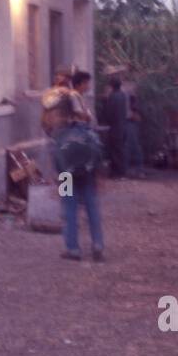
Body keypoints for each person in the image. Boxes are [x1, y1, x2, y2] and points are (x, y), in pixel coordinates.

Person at [57, 70, 105, 261]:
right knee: (92, 205)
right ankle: (97, 243)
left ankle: (72, 248)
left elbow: (57, 153)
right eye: (87, 83)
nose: (89, 86)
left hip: (66, 169)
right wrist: (99, 173)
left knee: (68, 205)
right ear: (81, 84)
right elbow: (98, 153)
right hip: (87, 170)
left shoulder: (63, 131)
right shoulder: (85, 123)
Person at [100, 76, 129, 179]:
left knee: (115, 150)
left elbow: (109, 113)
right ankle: (122, 172)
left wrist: (104, 102)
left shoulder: (113, 96)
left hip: (115, 127)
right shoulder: (123, 95)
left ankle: (116, 173)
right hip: (123, 126)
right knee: (121, 150)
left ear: (111, 86)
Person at [124, 88, 146, 178]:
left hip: (130, 121)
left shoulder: (129, 92)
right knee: (129, 146)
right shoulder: (125, 91)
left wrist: (134, 115)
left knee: (133, 146)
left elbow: (135, 110)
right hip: (127, 121)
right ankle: (133, 170)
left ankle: (138, 170)